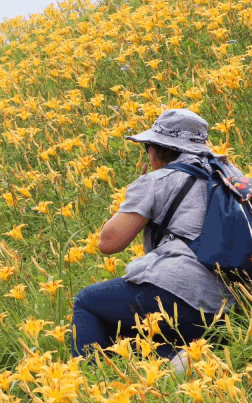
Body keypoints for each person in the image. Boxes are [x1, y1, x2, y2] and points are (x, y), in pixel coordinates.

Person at [71, 109, 244, 368]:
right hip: (232, 308)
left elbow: (108, 243)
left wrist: (138, 194)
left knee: (88, 302)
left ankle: (89, 380)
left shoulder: (157, 180)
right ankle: (177, 360)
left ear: (155, 150)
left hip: (179, 294)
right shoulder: (232, 175)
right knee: (122, 326)